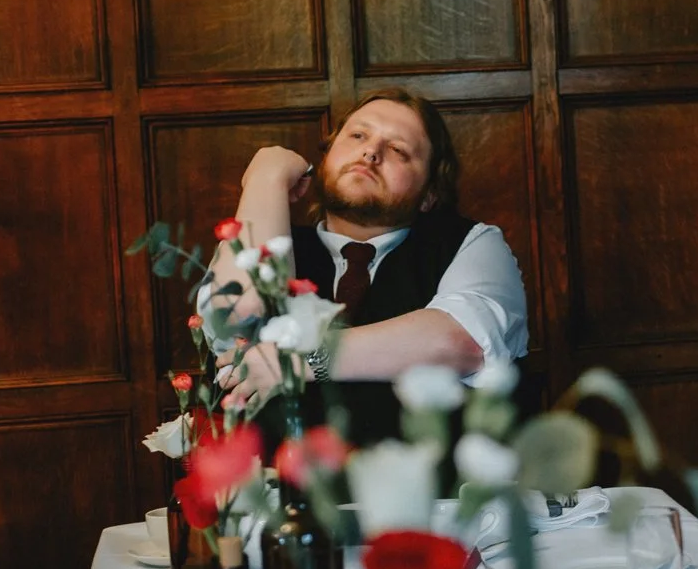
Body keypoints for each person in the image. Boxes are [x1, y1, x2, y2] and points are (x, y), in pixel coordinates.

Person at [208, 89, 530, 443]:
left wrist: (298, 359)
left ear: (429, 195)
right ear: (326, 157)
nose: (371, 152)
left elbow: (461, 341)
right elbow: (242, 309)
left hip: (434, 496)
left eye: (399, 150)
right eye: (358, 135)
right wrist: (266, 177)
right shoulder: (270, 237)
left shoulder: (472, 243)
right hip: (281, 493)